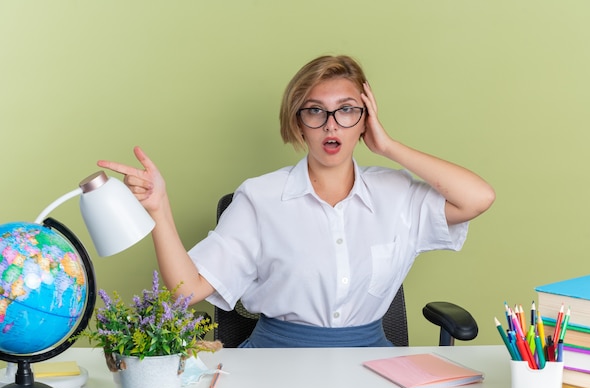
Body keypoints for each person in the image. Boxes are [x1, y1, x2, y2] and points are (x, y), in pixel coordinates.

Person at [98, 55, 495, 348]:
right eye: (315, 112)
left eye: (347, 111)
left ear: (365, 120)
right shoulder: (260, 198)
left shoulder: (397, 193)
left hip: (374, 364)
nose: (331, 124)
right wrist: (159, 210)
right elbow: (187, 291)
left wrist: (388, 146)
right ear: (297, 122)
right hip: (276, 361)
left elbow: (479, 197)